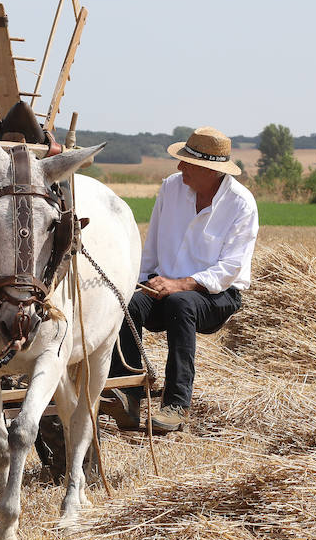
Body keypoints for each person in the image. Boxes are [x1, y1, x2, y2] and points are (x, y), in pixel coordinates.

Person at [104, 126, 259, 433]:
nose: (179, 168)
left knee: (180, 303)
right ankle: (127, 396)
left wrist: (181, 283)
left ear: (210, 170)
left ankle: (176, 405)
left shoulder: (241, 204)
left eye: (187, 163)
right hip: (166, 286)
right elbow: (152, 246)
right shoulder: (171, 188)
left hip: (217, 295)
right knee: (127, 304)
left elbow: (230, 268)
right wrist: (137, 281)